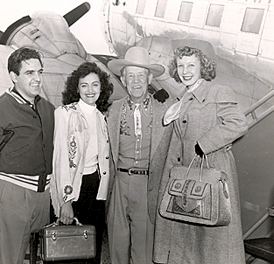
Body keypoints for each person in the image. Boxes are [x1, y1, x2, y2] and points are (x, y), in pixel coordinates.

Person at [153, 38, 248, 264]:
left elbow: (238, 124)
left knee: (212, 241)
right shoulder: (182, 97)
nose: (185, 71)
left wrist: (204, 143)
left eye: (191, 66)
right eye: (181, 65)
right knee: (189, 242)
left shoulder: (217, 92)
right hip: (186, 178)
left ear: (203, 66)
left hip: (212, 176)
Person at [0, 47, 55, 263]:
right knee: (5, 259)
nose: (37, 79)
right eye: (29, 73)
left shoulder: (48, 109)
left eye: (40, 72)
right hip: (10, 196)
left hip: (41, 196)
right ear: (13, 77)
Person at [106, 46, 173, 264]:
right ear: (123, 80)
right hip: (119, 183)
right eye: (130, 76)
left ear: (150, 78)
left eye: (141, 76)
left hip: (147, 184)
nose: (136, 82)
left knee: (143, 249)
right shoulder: (113, 110)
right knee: (117, 245)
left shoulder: (163, 110)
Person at [50, 61, 113, 264]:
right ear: (76, 88)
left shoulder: (102, 117)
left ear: (101, 88)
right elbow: (60, 161)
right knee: (67, 253)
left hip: (95, 189)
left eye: (95, 84)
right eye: (84, 85)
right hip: (72, 189)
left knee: (91, 251)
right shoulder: (64, 114)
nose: (90, 90)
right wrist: (65, 202)